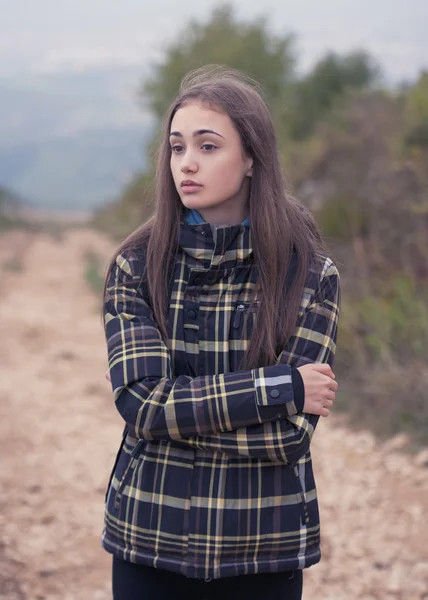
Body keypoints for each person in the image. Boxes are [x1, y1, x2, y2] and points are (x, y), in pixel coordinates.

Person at [102, 65, 340, 600]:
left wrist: (178, 418)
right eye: (177, 146)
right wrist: (281, 388)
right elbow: (143, 405)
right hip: (150, 536)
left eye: (208, 146)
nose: (186, 162)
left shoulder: (310, 276)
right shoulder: (135, 267)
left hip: (264, 545)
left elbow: (288, 436)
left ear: (252, 158)